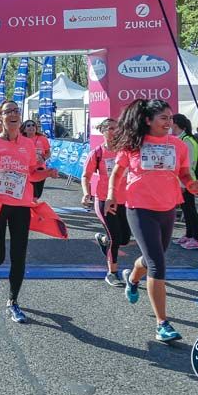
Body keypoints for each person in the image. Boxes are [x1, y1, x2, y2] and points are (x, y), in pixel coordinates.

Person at [106, 99, 198, 342]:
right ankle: (162, 324)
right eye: (163, 118)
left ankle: (132, 278)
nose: (169, 122)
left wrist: (192, 184)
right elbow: (117, 173)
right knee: (157, 264)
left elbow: (184, 172)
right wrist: (111, 196)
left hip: (168, 207)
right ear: (148, 120)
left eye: (170, 118)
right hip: (139, 208)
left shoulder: (177, 146)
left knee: (155, 256)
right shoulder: (133, 145)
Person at [0, 104, 61, 323]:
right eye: (8, 111)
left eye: (16, 111)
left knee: (19, 255)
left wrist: (48, 173)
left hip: (21, 204)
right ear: (1, 117)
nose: (14, 114)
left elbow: (32, 173)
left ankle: (13, 302)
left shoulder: (27, 144)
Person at [80, 118, 128, 287]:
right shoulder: (97, 153)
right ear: (103, 131)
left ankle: (103, 241)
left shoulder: (125, 151)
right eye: (111, 128)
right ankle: (112, 273)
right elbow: (85, 176)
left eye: (117, 128)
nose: (115, 131)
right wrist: (87, 193)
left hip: (125, 200)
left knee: (124, 239)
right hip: (104, 200)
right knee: (115, 238)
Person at [171, 114, 198, 250]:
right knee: (186, 209)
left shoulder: (187, 141)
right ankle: (189, 234)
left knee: (190, 209)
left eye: (170, 122)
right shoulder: (182, 139)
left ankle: (196, 238)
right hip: (184, 180)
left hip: (188, 181)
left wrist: (183, 184)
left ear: (176, 124)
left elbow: (188, 165)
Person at [21, 119, 51, 200]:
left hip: (40, 168)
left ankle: (32, 206)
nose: (31, 127)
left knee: (37, 194)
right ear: (24, 129)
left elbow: (48, 153)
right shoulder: (21, 139)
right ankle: (30, 209)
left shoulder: (42, 138)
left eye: (33, 125)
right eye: (28, 125)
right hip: (26, 169)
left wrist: (44, 158)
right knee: (31, 193)